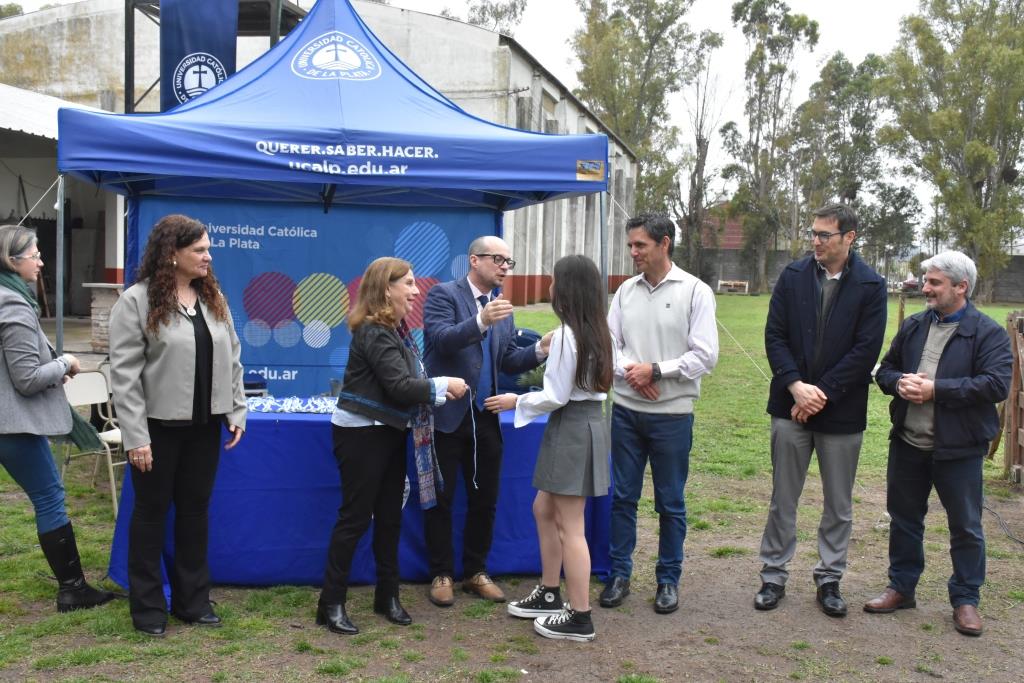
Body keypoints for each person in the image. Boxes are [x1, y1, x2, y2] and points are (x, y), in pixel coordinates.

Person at [109, 215, 247, 637]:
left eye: (208, 249)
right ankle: (148, 608)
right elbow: (125, 376)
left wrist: (236, 409)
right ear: (172, 253)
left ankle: (192, 602)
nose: (208, 257)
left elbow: (233, 356)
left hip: (204, 427)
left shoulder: (212, 297)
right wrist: (136, 437)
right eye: (199, 250)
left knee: (194, 514)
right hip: (156, 430)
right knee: (150, 516)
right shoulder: (136, 301)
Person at [317, 257, 467, 635]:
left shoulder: (395, 330)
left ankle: (387, 596)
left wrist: (433, 386)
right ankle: (330, 603)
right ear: (387, 289)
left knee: (389, 517)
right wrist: (443, 384)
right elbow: (399, 386)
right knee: (355, 519)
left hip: (389, 431)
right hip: (361, 435)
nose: (416, 291)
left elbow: (403, 384)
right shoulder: (374, 331)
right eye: (409, 284)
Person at [865, 251, 1011, 637]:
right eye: (926, 281)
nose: (925, 288)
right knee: (904, 519)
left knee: (965, 526)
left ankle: (965, 599)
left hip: (959, 449)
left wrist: (936, 390)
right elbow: (885, 369)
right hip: (908, 443)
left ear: (961, 287)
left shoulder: (987, 333)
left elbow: (996, 385)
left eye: (934, 282)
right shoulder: (914, 326)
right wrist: (898, 383)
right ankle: (901, 588)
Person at [754, 203, 886, 617]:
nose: (815, 241)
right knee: (783, 498)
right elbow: (775, 336)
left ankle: (830, 578)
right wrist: (796, 387)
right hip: (789, 406)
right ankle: (773, 576)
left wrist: (820, 394)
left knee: (838, 504)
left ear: (850, 237)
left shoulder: (871, 285)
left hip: (841, 412)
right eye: (813, 233)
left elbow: (866, 350)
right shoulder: (792, 276)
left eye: (824, 235)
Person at [489, 255, 613, 642]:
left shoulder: (566, 336)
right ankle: (549, 591)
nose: (550, 286)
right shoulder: (598, 332)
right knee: (543, 509)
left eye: (554, 280)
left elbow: (556, 395)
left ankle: (580, 615)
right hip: (582, 425)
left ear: (567, 289)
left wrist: (517, 401)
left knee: (570, 527)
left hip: (571, 427)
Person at [600, 215, 719, 615]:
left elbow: (705, 355)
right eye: (631, 245)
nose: (633, 252)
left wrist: (657, 370)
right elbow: (608, 345)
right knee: (623, 498)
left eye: (641, 245)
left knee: (670, 502)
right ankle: (619, 574)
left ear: (664, 243)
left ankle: (668, 579)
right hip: (626, 412)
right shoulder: (625, 291)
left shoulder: (695, 291)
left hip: (672, 416)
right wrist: (634, 374)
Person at [422, 235, 548, 607]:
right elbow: (441, 340)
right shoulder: (443, 295)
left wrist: (539, 349)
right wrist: (480, 320)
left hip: (485, 417)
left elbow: (506, 360)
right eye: (498, 259)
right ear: (474, 260)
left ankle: (476, 571)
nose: (505, 267)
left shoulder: (500, 306)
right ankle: (442, 573)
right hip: (447, 416)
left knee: (485, 498)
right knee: (441, 499)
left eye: (509, 262)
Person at [0, 224, 115, 614]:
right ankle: (73, 589)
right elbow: (27, 378)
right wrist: (64, 363)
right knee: (49, 497)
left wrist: (52, 370)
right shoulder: (13, 304)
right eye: (34, 255)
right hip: (14, 425)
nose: (41, 262)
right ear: (11, 261)